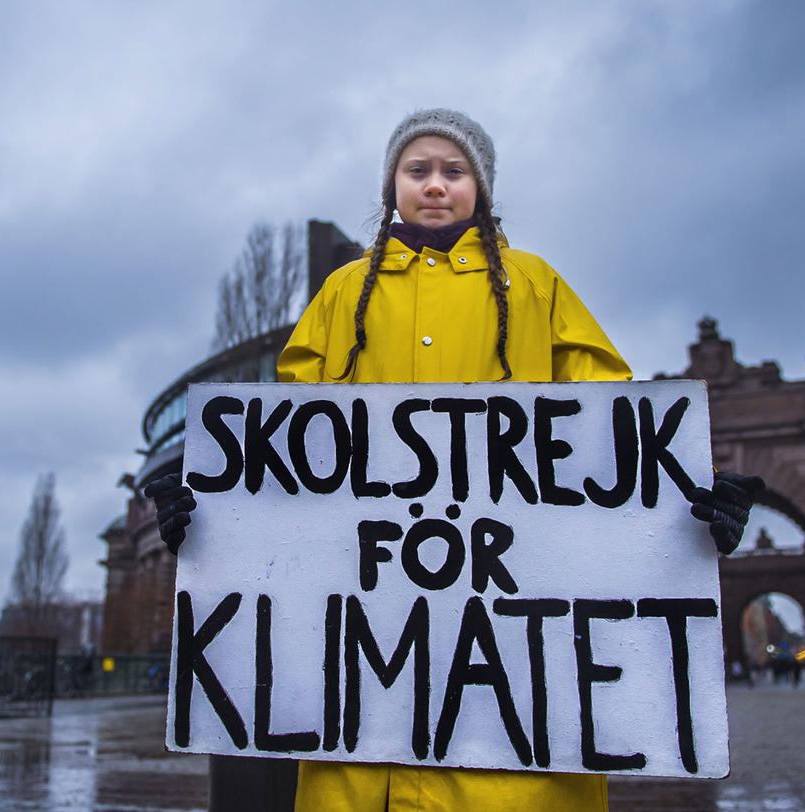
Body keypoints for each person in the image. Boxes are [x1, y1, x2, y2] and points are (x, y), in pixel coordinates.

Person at [146, 108, 763, 811]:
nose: (435, 186)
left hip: (518, 743)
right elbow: (291, 456)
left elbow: (607, 435)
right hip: (360, 733)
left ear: (482, 187)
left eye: (454, 170)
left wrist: (684, 500)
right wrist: (216, 511)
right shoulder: (342, 295)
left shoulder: (539, 287)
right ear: (391, 187)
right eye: (417, 170)